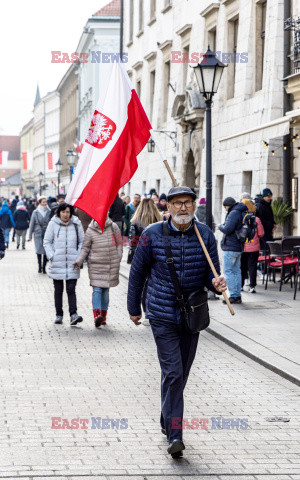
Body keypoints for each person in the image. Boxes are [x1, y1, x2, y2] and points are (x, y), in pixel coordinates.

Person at [127, 186, 226, 458]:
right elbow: (137, 273)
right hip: (161, 313)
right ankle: (175, 434)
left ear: (194, 206)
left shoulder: (204, 234)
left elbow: (211, 272)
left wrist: (216, 283)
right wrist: (133, 307)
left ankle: (166, 416)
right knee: (173, 373)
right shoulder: (151, 235)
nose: (182, 208)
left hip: (192, 315)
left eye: (187, 203)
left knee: (180, 375)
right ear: (167, 207)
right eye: (177, 203)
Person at [74, 215, 122, 327]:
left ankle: (103, 317)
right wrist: (79, 261)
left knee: (105, 291)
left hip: (110, 264)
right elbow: (85, 248)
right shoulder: (90, 230)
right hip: (96, 265)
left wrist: (118, 256)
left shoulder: (113, 227)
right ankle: (97, 315)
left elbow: (119, 243)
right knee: (97, 290)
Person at [44, 203, 84, 325]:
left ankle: (73, 314)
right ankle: (59, 314)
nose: (65, 214)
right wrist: (52, 255)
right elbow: (47, 241)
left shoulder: (77, 224)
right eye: (63, 212)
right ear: (59, 212)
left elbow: (82, 241)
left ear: (71, 213)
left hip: (73, 263)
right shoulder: (53, 224)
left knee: (71, 289)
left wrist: (78, 256)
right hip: (57, 262)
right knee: (58, 290)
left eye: (67, 212)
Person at [218, 197, 247, 304]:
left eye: (225, 207)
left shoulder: (234, 213)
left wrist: (220, 226)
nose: (225, 210)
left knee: (228, 271)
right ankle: (237, 295)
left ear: (228, 205)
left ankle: (234, 295)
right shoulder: (240, 211)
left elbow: (227, 229)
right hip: (238, 246)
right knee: (236, 271)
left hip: (231, 246)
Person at [240, 198, 264, 293]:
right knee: (252, 266)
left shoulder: (241, 218)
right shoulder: (257, 219)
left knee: (242, 266)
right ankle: (252, 286)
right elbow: (261, 233)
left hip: (242, 246)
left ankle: (241, 285)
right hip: (254, 247)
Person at [128, 198, 162, 263]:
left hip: (140, 252)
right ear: (154, 207)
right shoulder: (159, 220)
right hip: (156, 252)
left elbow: (133, 239)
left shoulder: (135, 221)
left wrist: (132, 251)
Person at [28, 196, 51, 273]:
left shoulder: (49, 211)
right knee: (38, 250)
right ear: (40, 202)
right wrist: (30, 236)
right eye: (43, 202)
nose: (45, 203)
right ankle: (39, 267)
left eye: (46, 202)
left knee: (45, 251)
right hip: (37, 233)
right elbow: (31, 224)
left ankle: (44, 267)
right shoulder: (36, 212)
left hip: (47, 233)